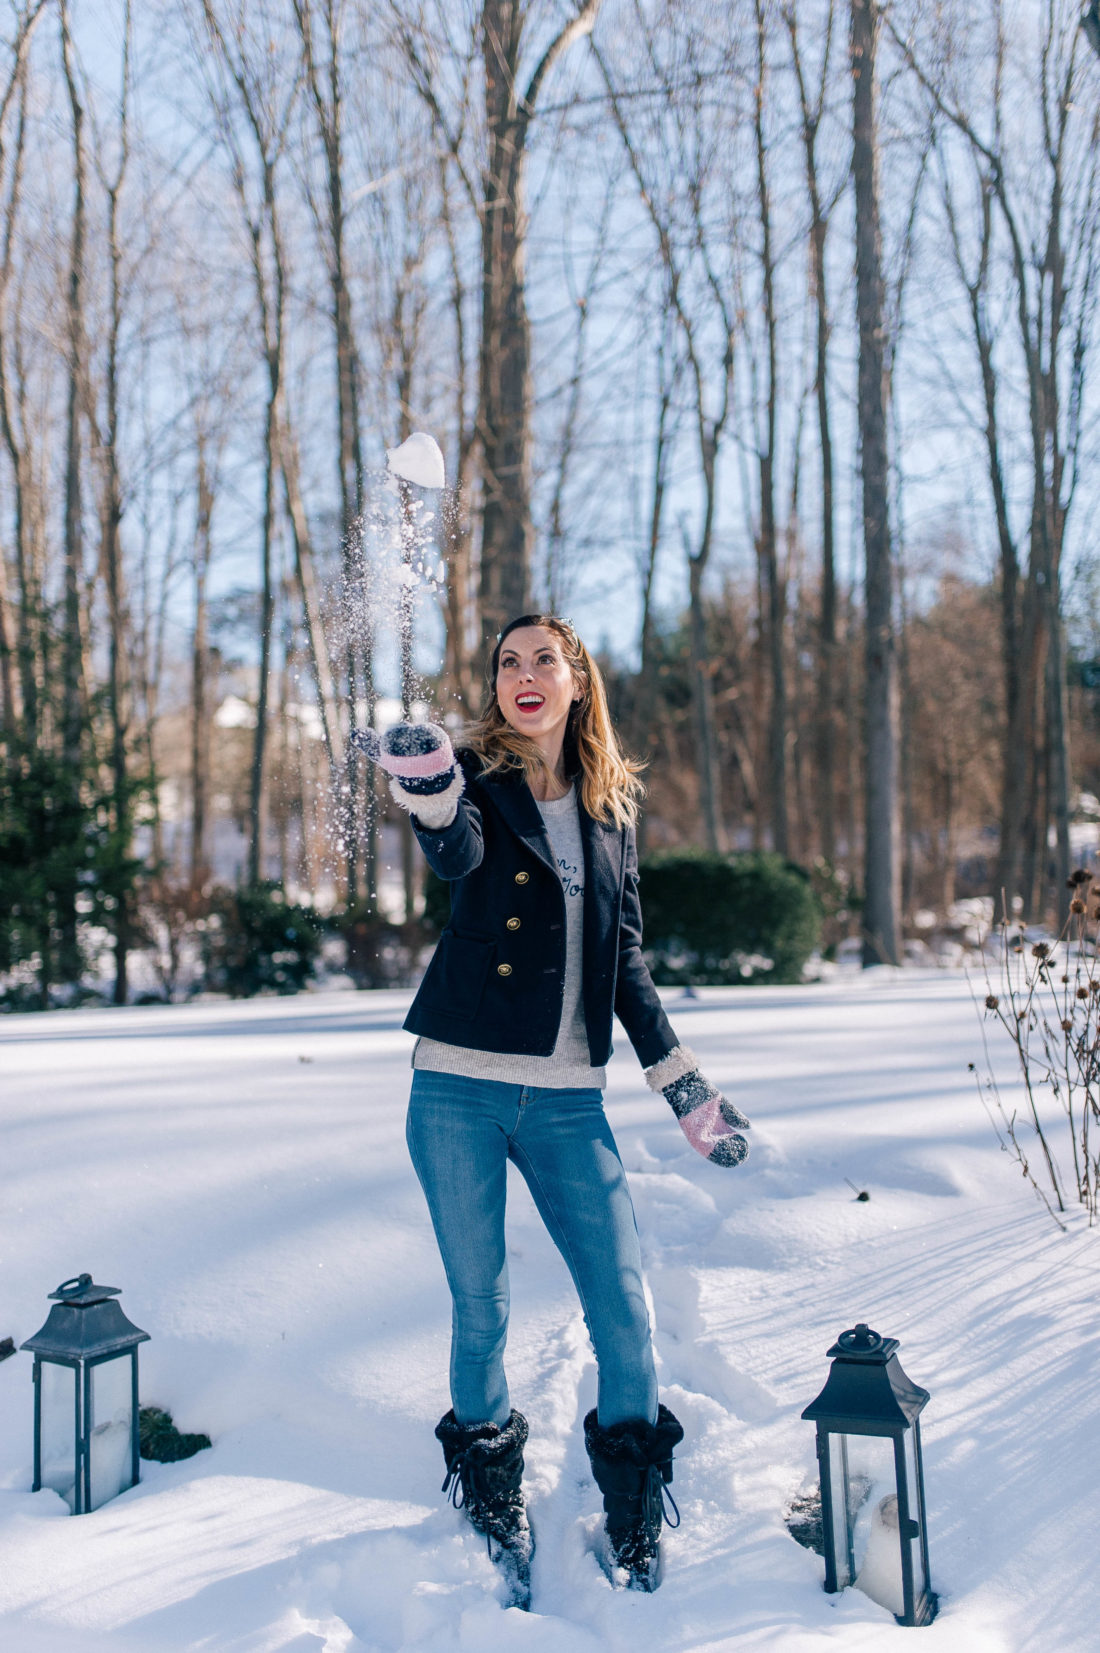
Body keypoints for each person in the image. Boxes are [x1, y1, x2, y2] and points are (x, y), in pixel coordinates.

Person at [354, 614, 750, 1602]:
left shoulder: (611, 813)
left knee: (622, 1308)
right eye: (505, 663)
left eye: (544, 661)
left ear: (577, 682)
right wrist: (433, 792)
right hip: (457, 1086)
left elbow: (627, 964)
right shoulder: (479, 787)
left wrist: (683, 1084)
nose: (522, 675)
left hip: (571, 1100)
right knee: (479, 1305)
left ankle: (628, 1490)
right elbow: (454, 855)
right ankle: (489, 1478)